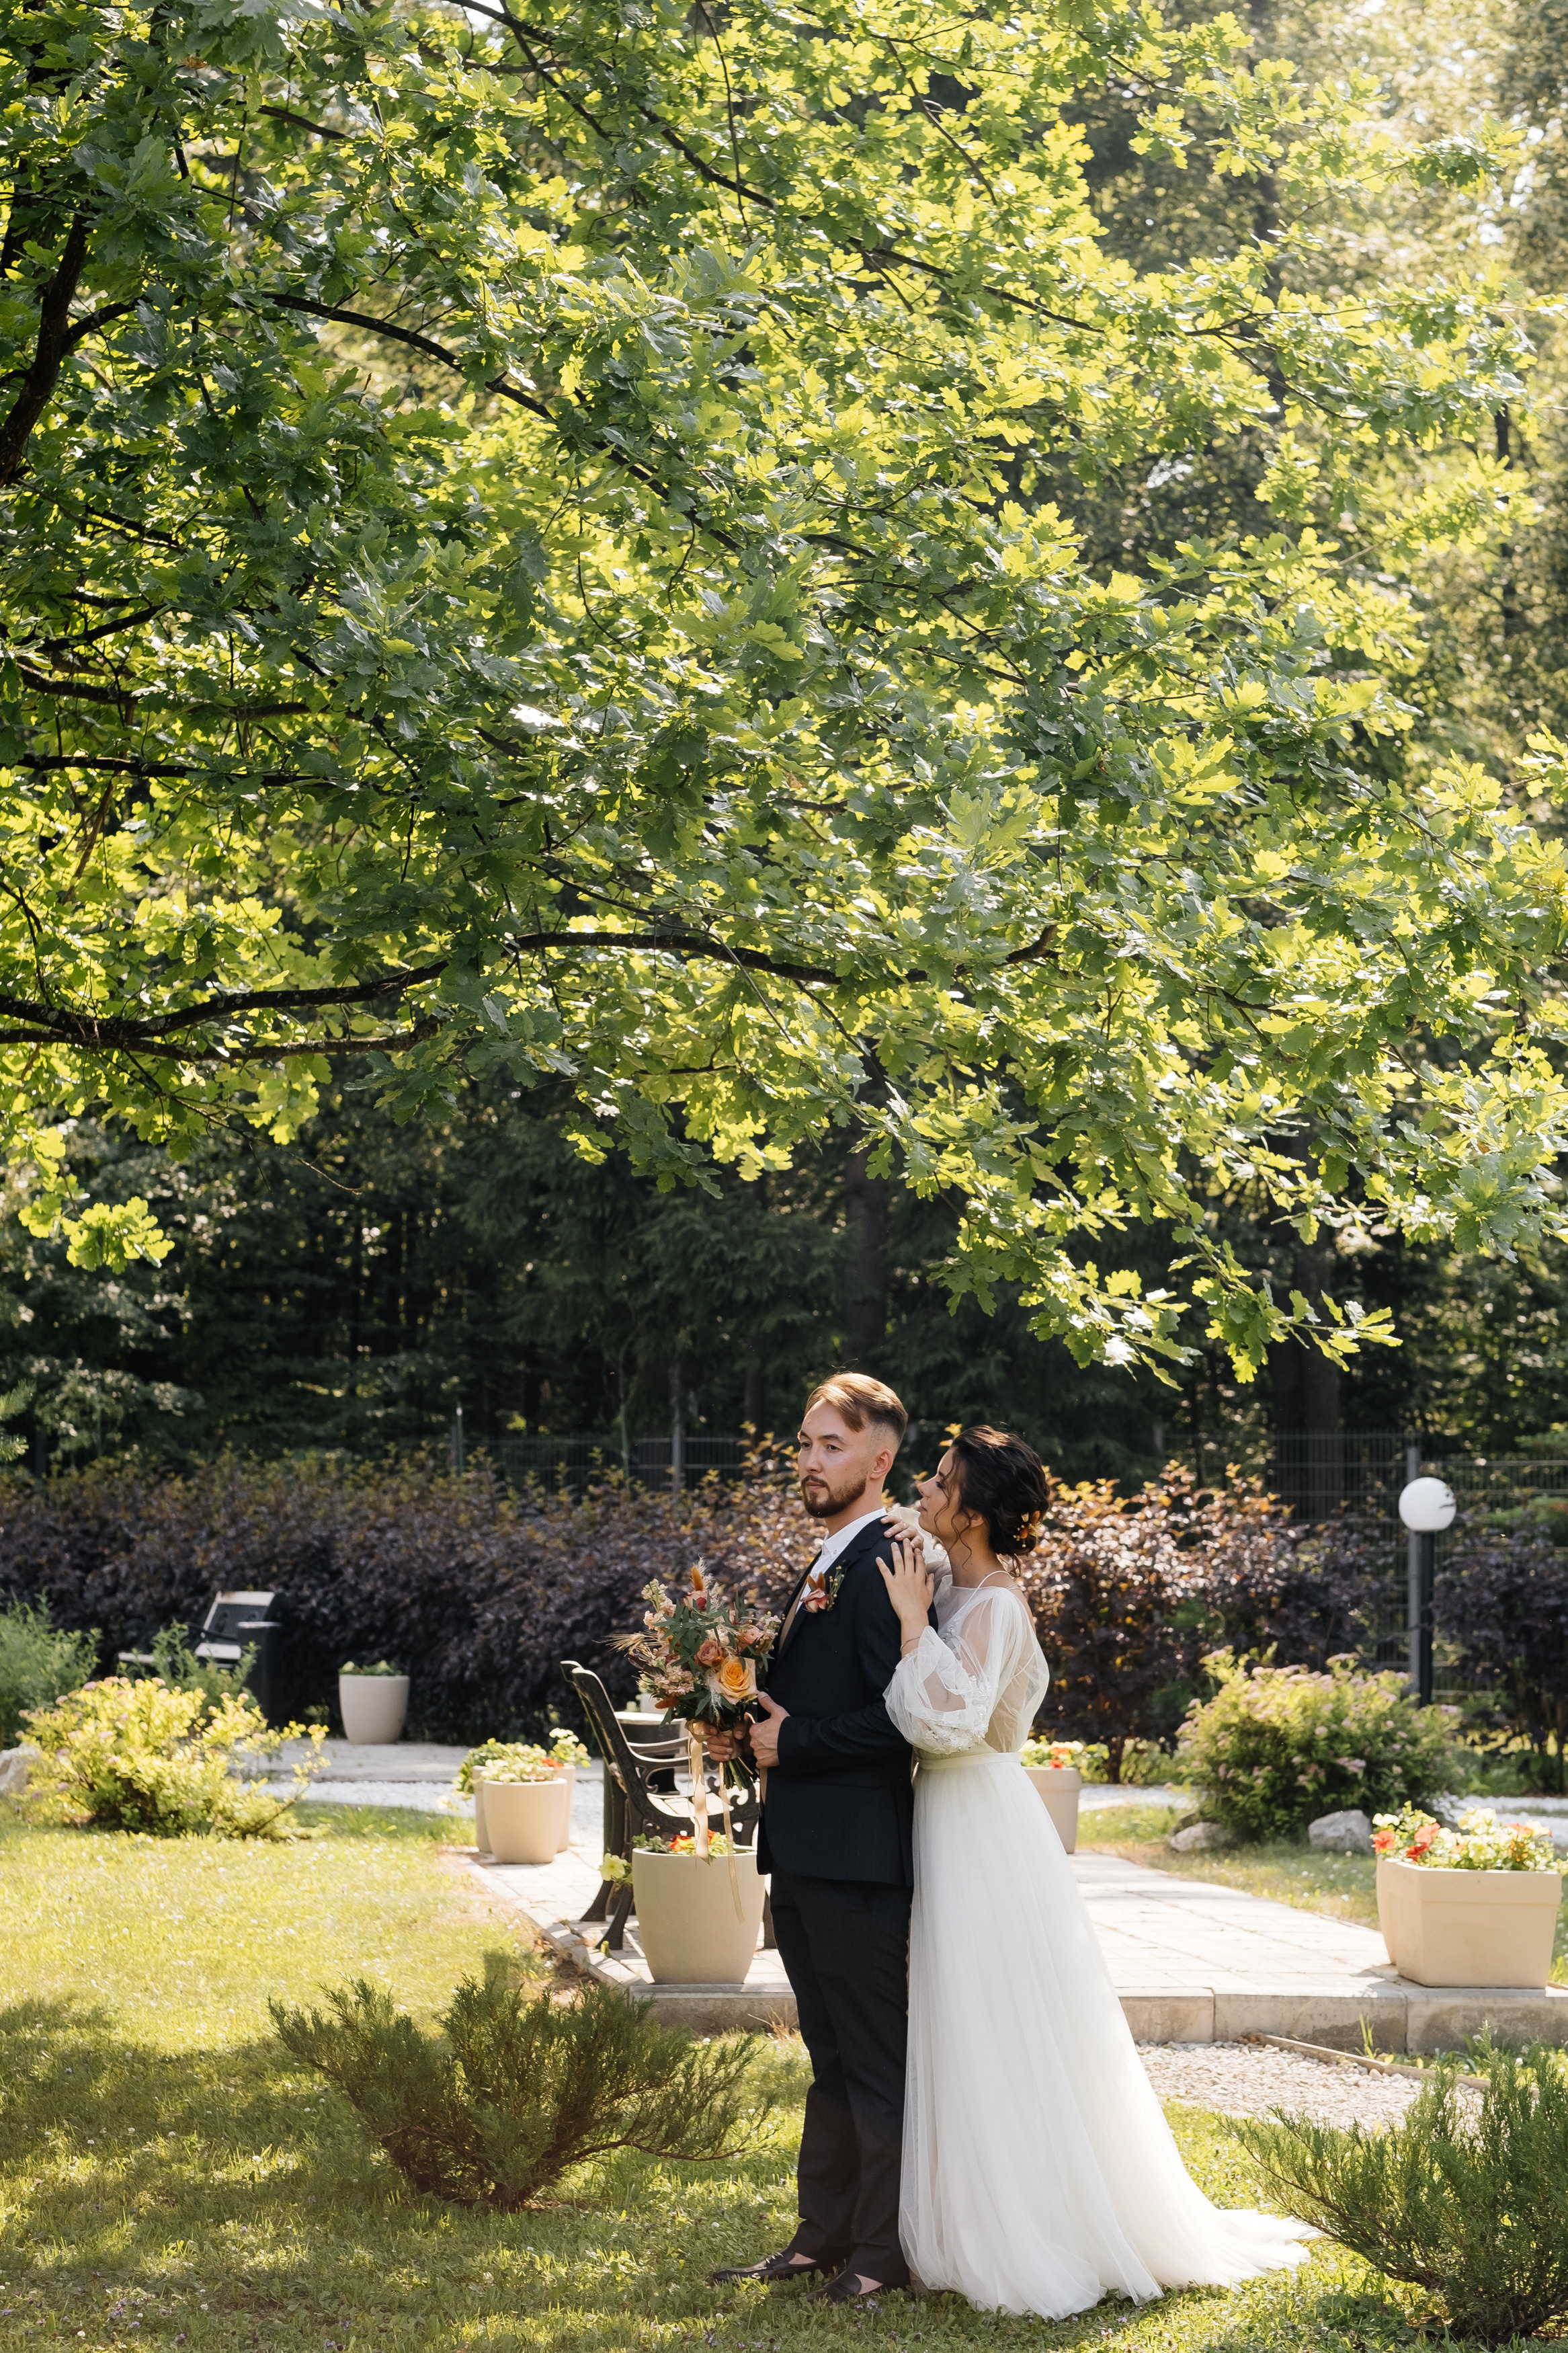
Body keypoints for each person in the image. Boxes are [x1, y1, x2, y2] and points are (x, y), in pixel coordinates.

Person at [876, 1425, 1314, 2318]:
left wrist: (913, 1625)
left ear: (972, 1511)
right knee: (952, 2014)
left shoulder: (993, 1603)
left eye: (939, 1480)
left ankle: (1027, 2221)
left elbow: (950, 1725)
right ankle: (953, 2207)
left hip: (978, 1823)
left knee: (996, 2014)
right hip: (940, 1817)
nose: (922, 1488)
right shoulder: (952, 1582)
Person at [704, 1372, 928, 2307]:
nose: (808, 1459)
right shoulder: (827, 1558)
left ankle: (881, 2252)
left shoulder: (887, 1562)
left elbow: (903, 1718)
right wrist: (738, 1725)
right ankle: (820, 2235)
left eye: (830, 1446)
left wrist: (790, 1740)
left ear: (879, 1461)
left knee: (872, 2061)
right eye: (804, 1443)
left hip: (858, 1858)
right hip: (803, 1850)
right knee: (829, 2056)